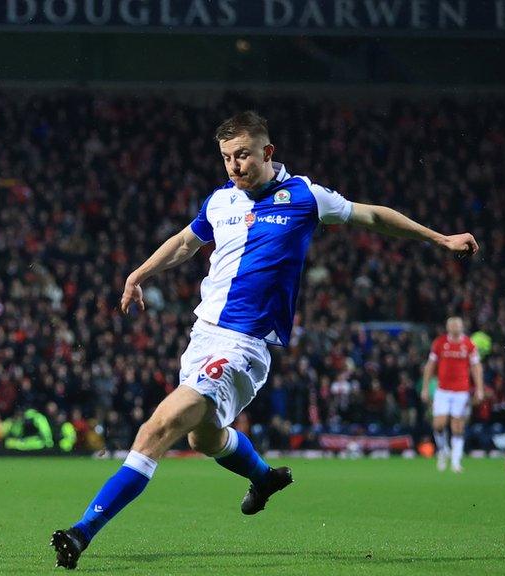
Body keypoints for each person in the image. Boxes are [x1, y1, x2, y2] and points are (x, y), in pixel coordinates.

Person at [50, 111, 479, 569]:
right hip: (202, 336)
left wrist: (440, 238)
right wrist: (139, 273)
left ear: (267, 153)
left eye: (242, 156)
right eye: (226, 158)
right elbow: (185, 242)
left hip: (243, 347)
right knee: (203, 438)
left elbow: (372, 215)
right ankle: (263, 477)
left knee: (159, 426)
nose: (234, 166)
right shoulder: (219, 201)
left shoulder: (305, 196)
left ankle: (81, 532)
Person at [420, 316, 485, 473]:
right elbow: (430, 366)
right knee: (439, 424)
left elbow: (476, 367)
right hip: (442, 390)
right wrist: (425, 387)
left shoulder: (468, 345)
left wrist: (480, 388)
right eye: (453, 325)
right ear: (448, 327)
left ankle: (456, 461)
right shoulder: (440, 343)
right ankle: (443, 450)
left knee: (457, 426)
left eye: (458, 325)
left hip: (461, 391)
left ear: (462, 327)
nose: (456, 327)